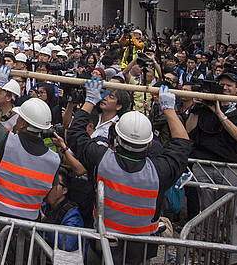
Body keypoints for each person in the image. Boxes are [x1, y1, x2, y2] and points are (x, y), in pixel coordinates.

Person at [67, 80, 191, 264]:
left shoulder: (101, 160)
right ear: (149, 143)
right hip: (140, 247)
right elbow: (182, 144)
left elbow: (75, 133)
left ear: (116, 137)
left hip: (103, 240)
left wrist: (90, 100)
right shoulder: (159, 171)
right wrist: (169, 109)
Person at [0, 66, 60, 264]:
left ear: (24, 124)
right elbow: (52, 196)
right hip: (30, 220)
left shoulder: (8, 141)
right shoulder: (54, 159)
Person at [39, 167, 85, 252]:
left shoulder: (72, 214)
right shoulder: (45, 206)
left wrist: (45, 221)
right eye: (50, 182)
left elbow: (67, 244)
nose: (51, 187)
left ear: (64, 190)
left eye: (55, 183)